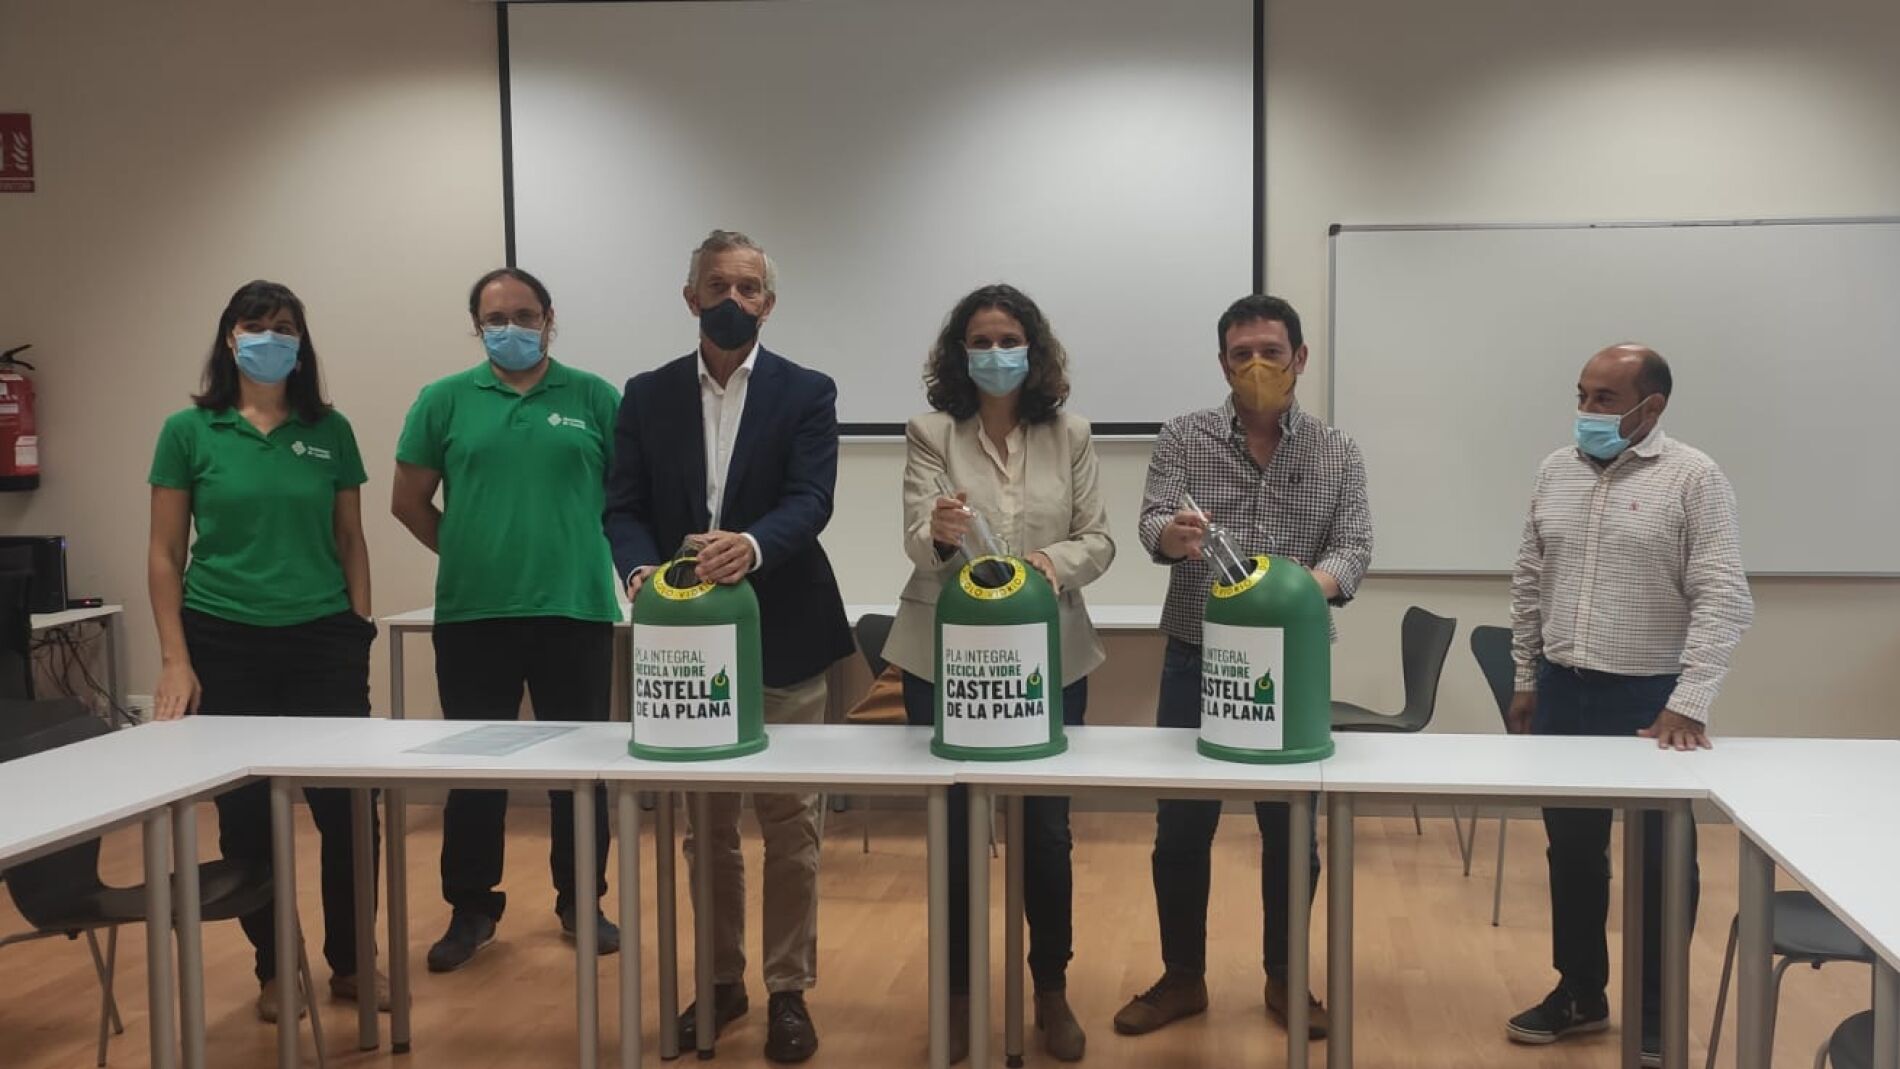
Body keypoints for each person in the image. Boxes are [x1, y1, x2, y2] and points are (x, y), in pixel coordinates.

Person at [605, 230, 852, 1064]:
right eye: (718, 285)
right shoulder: (646, 395)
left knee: (792, 823)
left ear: (768, 304)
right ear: (691, 297)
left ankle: (788, 989)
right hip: (686, 645)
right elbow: (622, 505)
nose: (733, 300)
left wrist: (748, 544)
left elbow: (812, 498)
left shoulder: (806, 390)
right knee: (706, 827)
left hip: (785, 630)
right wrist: (640, 569)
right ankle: (719, 980)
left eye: (748, 288)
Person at [1117, 294, 1372, 1041]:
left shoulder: (1337, 450)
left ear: (1300, 357)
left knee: (1292, 830)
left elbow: (1354, 546)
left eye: (1271, 352)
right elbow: (1151, 523)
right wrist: (1171, 536)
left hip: (1292, 664)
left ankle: (1286, 976)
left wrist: (1292, 592)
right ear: (1223, 362)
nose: (1256, 365)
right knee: (1180, 828)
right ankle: (1182, 977)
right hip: (1196, 655)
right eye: (1241, 354)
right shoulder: (1183, 435)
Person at [882, 284, 1115, 1063]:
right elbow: (917, 543)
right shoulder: (930, 432)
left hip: (1050, 654)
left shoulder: (1070, 433)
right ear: (960, 354)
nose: (994, 353)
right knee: (954, 829)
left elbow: (1099, 539)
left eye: (1008, 339)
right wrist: (941, 534)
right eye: (979, 341)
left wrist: (1049, 561)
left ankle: (1050, 987)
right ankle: (956, 994)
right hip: (947, 656)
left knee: (1045, 831)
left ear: (1033, 348)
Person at [1504, 344, 1752, 1064]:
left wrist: (1690, 700)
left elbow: (1723, 597)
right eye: (1582, 395)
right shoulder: (1555, 471)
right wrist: (1526, 676)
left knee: (1662, 864)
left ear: (1653, 406)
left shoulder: (1694, 478)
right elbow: (1529, 578)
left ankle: (1656, 1010)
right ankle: (1581, 991)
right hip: (1562, 688)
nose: (1587, 411)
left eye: (1605, 399)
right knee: (1573, 853)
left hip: (1649, 698)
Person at [147, 280, 384, 1021]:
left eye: (284, 327)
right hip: (223, 638)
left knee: (350, 811)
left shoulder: (330, 430)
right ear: (230, 337)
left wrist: (358, 627)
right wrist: (175, 658)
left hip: (323, 638)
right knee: (248, 818)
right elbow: (164, 553)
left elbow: (350, 537)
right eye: (255, 326)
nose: (269, 339)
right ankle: (276, 969)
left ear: (301, 344)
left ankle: (354, 964)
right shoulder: (188, 431)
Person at [391, 267, 623, 972]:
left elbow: (628, 498)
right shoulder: (443, 400)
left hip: (576, 610)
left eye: (525, 315)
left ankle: (581, 901)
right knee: (475, 770)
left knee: (581, 771)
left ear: (549, 319)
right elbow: (408, 502)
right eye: (496, 318)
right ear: (477, 326)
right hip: (474, 615)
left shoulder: (594, 397)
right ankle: (471, 908)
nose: (512, 328)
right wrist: (470, 548)